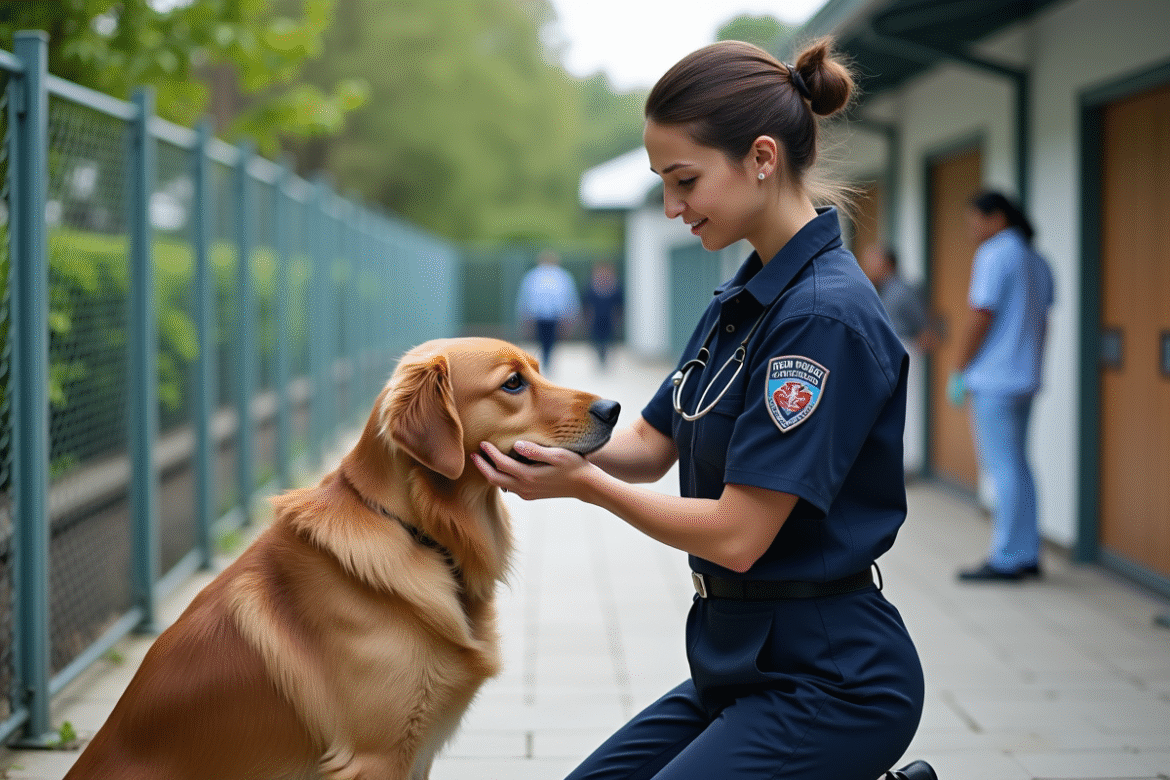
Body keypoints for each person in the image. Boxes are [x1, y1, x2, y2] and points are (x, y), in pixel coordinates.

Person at [473, 38, 927, 780]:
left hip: (831, 678)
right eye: (662, 181)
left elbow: (741, 535)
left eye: (683, 180)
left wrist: (584, 485)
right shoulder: (742, 300)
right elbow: (652, 442)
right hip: (739, 658)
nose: (670, 206)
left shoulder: (821, 318)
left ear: (760, 157)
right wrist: (513, 428)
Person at [950, 190, 1054, 582]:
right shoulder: (1035, 258)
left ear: (996, 219)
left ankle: (1007, 557)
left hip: (995, 378)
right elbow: (1045, 318)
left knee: (1003, 467)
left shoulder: (995, 254)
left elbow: (981, 314)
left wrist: (959, 367)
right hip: (1025, 378)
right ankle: (1028, 552)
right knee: (1021, 465)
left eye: (974, 220)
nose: (971, 230)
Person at [862, 245, 936, 475]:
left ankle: (906, 464)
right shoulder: (880, 289)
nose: (867, 265)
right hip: (888, 352)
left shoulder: (902, 290)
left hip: (902, 350)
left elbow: (925, 329)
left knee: (904, 407)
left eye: (872, 260)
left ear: (887, 263)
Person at [516, 250, 581, 371]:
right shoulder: (533, 276)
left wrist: (570, 314)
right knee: (542, 337)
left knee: (552, 338)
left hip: (556, 314)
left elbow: (570, 297)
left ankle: (547, 358)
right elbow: (525, 296)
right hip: (538, 314)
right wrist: (525, 314)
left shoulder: (563, 276)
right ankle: (545, 358)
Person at [583, 261, 624, 369]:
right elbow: (587, 304)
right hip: (595, 318)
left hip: (609, 318)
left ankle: (605, 358)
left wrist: (618, 317)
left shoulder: (615, 287)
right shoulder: (591, 286)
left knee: (608, 340)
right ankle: (600, 357)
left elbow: (619, 304)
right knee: (596, 340)